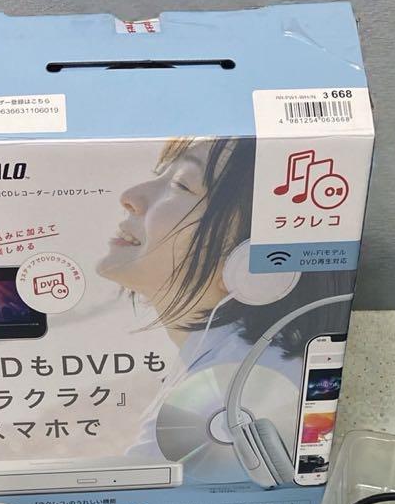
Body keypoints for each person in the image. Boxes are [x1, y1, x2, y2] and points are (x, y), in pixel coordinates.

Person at [97, 137, 353, 472]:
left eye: (181, 184)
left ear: (248, 263)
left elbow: (138, 494)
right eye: (161, 174)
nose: (130, 196)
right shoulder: (238, 359)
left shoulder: (234, 391)